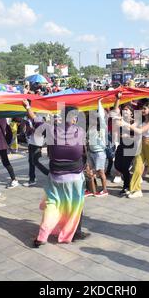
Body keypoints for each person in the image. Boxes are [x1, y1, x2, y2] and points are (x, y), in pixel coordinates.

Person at [23, 100, 87, 247]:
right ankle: (72, 233)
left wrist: (27, 107)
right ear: (74, 118)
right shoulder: (80, 131)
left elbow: (36, 120)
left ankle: (42, 236)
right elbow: (82, 152)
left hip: (56, 177)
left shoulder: (51, 130)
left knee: (52, 206)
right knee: (75, 207)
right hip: (75, 178)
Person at [112, 93, 136, 196]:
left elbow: (138, 135)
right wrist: (117, 98)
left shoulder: (135, 122)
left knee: (125, 167)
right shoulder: (120, 120)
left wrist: (127, 137)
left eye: (127, 110)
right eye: (124, 110)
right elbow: (115, 110)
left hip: (131, 147)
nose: (125, 111)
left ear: (131, 112)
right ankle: (128, 181)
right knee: (117, 164)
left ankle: (127, 186)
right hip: (121, 146)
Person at [86, 99, 109, 197]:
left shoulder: (102, 128)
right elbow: (87, 139)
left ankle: (105, 190)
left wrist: (99, 102)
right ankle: (92, 190)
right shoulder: (90, 129)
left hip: (99, 153)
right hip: (91, 152)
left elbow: (102, 115)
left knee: (101, 172)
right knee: (89, 171)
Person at [0, 118, 19, 193]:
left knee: (3, 162)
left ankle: (14, 179)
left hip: (1, 145)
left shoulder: (1, 119)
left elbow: (1, 130)